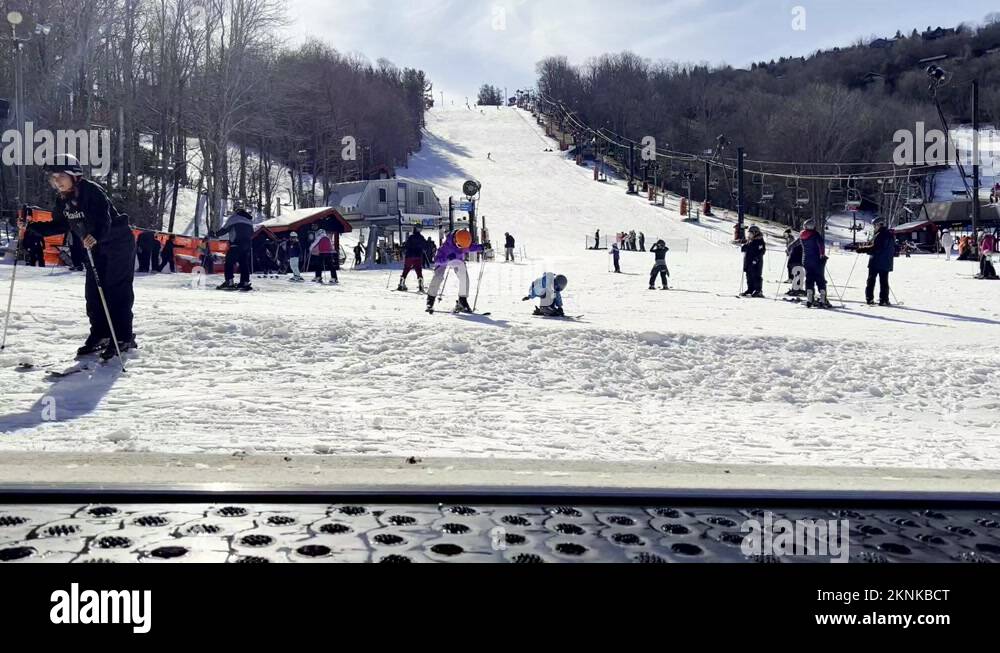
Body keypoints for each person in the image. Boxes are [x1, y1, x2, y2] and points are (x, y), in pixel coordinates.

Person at [20, 154, 137, 360]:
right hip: (95, 247)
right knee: (93, 293)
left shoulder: (91, 191)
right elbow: (59, 225)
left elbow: (104, 219)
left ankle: (123, 337)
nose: (56, 182)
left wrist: (95, 236)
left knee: (116, 290)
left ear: (74, 175)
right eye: (53, 178)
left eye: (60, 176)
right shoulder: (63, 201)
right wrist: (30, 228)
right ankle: (100, 335)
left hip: (117, 242)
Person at [426, 229, 483, 314]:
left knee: (464, 275)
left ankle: (462, 300)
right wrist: (447, 259)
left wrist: (481, 247)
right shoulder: (446, 247)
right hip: (445, 259)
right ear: (455, 240)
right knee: (438, 277)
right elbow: (437, 260)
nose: (462, 249)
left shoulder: (463, 240)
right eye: (460, 246)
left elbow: (470, 247)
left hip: (457, 260)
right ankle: (430, 299)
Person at [214, 207, 254, 291]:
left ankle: (229, 282)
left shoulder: (234, 218)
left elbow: (224, 230)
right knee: (244, 264)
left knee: (229, 262)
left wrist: (214, 234)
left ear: (236, 212)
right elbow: (252, 233)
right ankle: (245, 282)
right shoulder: (249, 221)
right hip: (247, 246)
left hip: (236, 244)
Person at [857, 217, 895, 306]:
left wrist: (863, 249)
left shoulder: (880, 235)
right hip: (886, 262)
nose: (874, 227)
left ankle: (869, 298)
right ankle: (884, 299)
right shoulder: (889, 234)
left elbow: (876, 248)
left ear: (878, 225)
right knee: (884, 281)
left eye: (874, 225)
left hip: (876, 261)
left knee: (871, 280)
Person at [799, 219, 831, 308]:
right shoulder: (815, 234)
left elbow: (796, 243)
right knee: (820, 279)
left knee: (809, 279)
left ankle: (809, 298)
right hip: (817, 260)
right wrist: (822, 255)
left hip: (806, 260)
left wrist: (789, 248)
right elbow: (821, 245)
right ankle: (823, 299)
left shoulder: (802, 234)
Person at [398, 225, 427, 292]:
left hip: (409, 256)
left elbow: (406, 245)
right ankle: (420, 283)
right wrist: (423, 249)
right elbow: (425, 246)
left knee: (406, 269)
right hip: (418, 256)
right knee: (418, 270)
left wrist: (402, 248)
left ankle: (402, 282)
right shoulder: (421, 238)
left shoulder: (411, 237)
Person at [740, 226, 766, 298]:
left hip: (756, 262)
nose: (749, 235)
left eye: (751, 233)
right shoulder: (750, 240)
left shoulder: (760, 241)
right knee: (749, 275)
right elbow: (745, 248)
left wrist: (756, 259)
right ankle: (750, 289)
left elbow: (761, 252)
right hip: (748, 261)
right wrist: (743, 246)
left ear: (755, 233)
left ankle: (758, 290)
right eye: (749, 233)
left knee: (756, 275)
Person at [784, 229, 805, 297]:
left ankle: (795, 288)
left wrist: (788, 251)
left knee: (797, 274)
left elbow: (790, 246)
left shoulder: (797, 240)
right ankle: (796, 289)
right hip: (796, 260)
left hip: (793, 260)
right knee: (798, 274)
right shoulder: (803, 242)